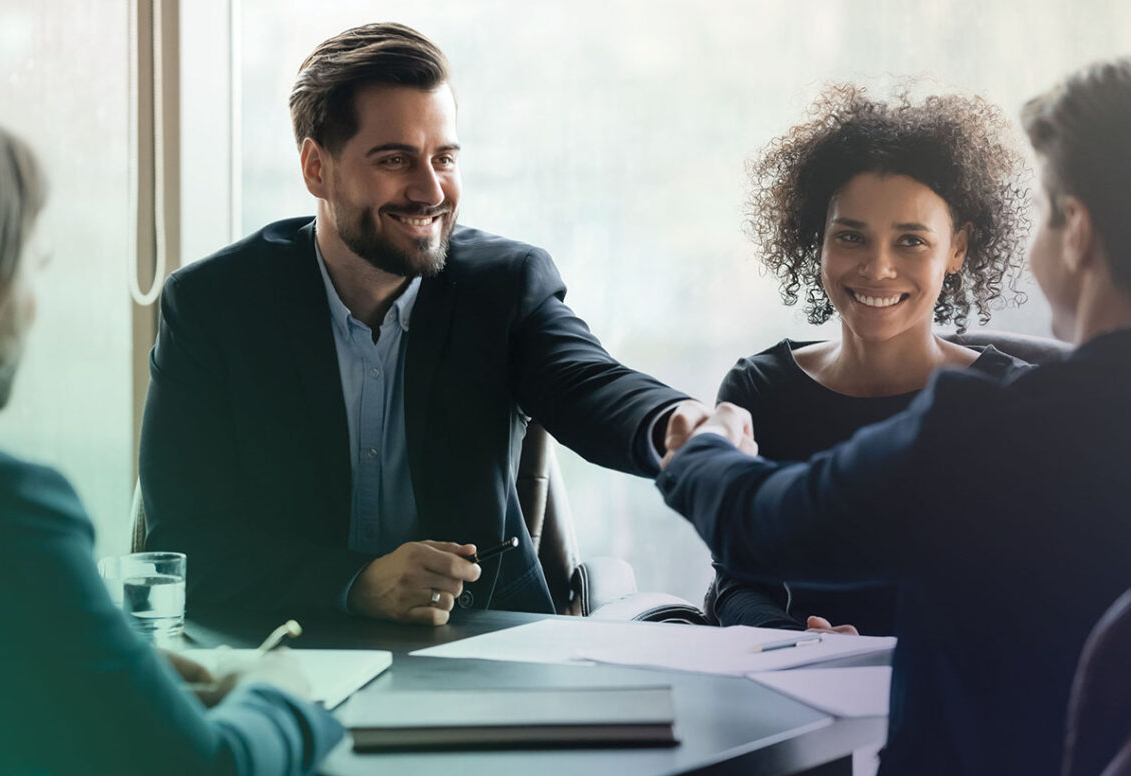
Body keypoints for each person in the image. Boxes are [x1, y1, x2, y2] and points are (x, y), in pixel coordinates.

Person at [139, 23, 704, 625]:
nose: (430, 190)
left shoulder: (504, 286)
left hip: (485, 644)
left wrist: (676, 423)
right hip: (287, 650)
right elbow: (184, 543)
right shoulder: (213, 306)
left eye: (445, 158)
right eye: (394, 159)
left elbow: (589, 382)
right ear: (316, 169)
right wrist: (356, 584)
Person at [659, 59, 1131, 775]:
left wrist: (702, 449)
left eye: (1046, 212)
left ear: (1079, 232)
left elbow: (766, 521)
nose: (880, 267)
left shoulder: (999, 428)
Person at [0, 115, 343, 774]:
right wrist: (279, 697)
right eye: (34, 264)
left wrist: (109, 666)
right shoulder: (5, 511)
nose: (34, 304)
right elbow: (205, 767)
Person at [707, 85, 1032, 636]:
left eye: (910, 241)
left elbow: (1037, 590)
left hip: (954, 704)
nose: (878, 268)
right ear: (818, 242)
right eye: (852, 237)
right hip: (798, 690)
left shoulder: (1015, 402)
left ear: (957, 249)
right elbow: (737, 584)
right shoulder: (758, 391)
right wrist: (794, 640)